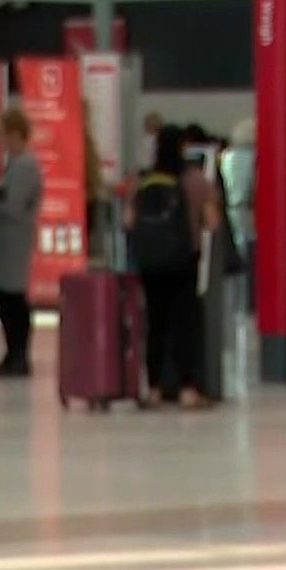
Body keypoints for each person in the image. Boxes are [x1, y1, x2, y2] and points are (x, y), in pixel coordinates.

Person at [127, 124, 221, 408]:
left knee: (155, 324)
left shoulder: (143, 181)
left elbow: (128, 221)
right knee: (185, 325)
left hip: (151, 265)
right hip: (184, 262)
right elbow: (212, 222)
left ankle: (154, 389)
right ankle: (188, 390)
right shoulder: (196, 180)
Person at [0, 109, 42, 377]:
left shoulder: (25, 166)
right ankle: (12, 352)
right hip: (3, 238)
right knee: (2, 296)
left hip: (13, 239)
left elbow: (11, 206)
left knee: (11, 297)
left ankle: (19, 354)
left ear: (14, 134)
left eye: (1, 136)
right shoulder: (13, 165)